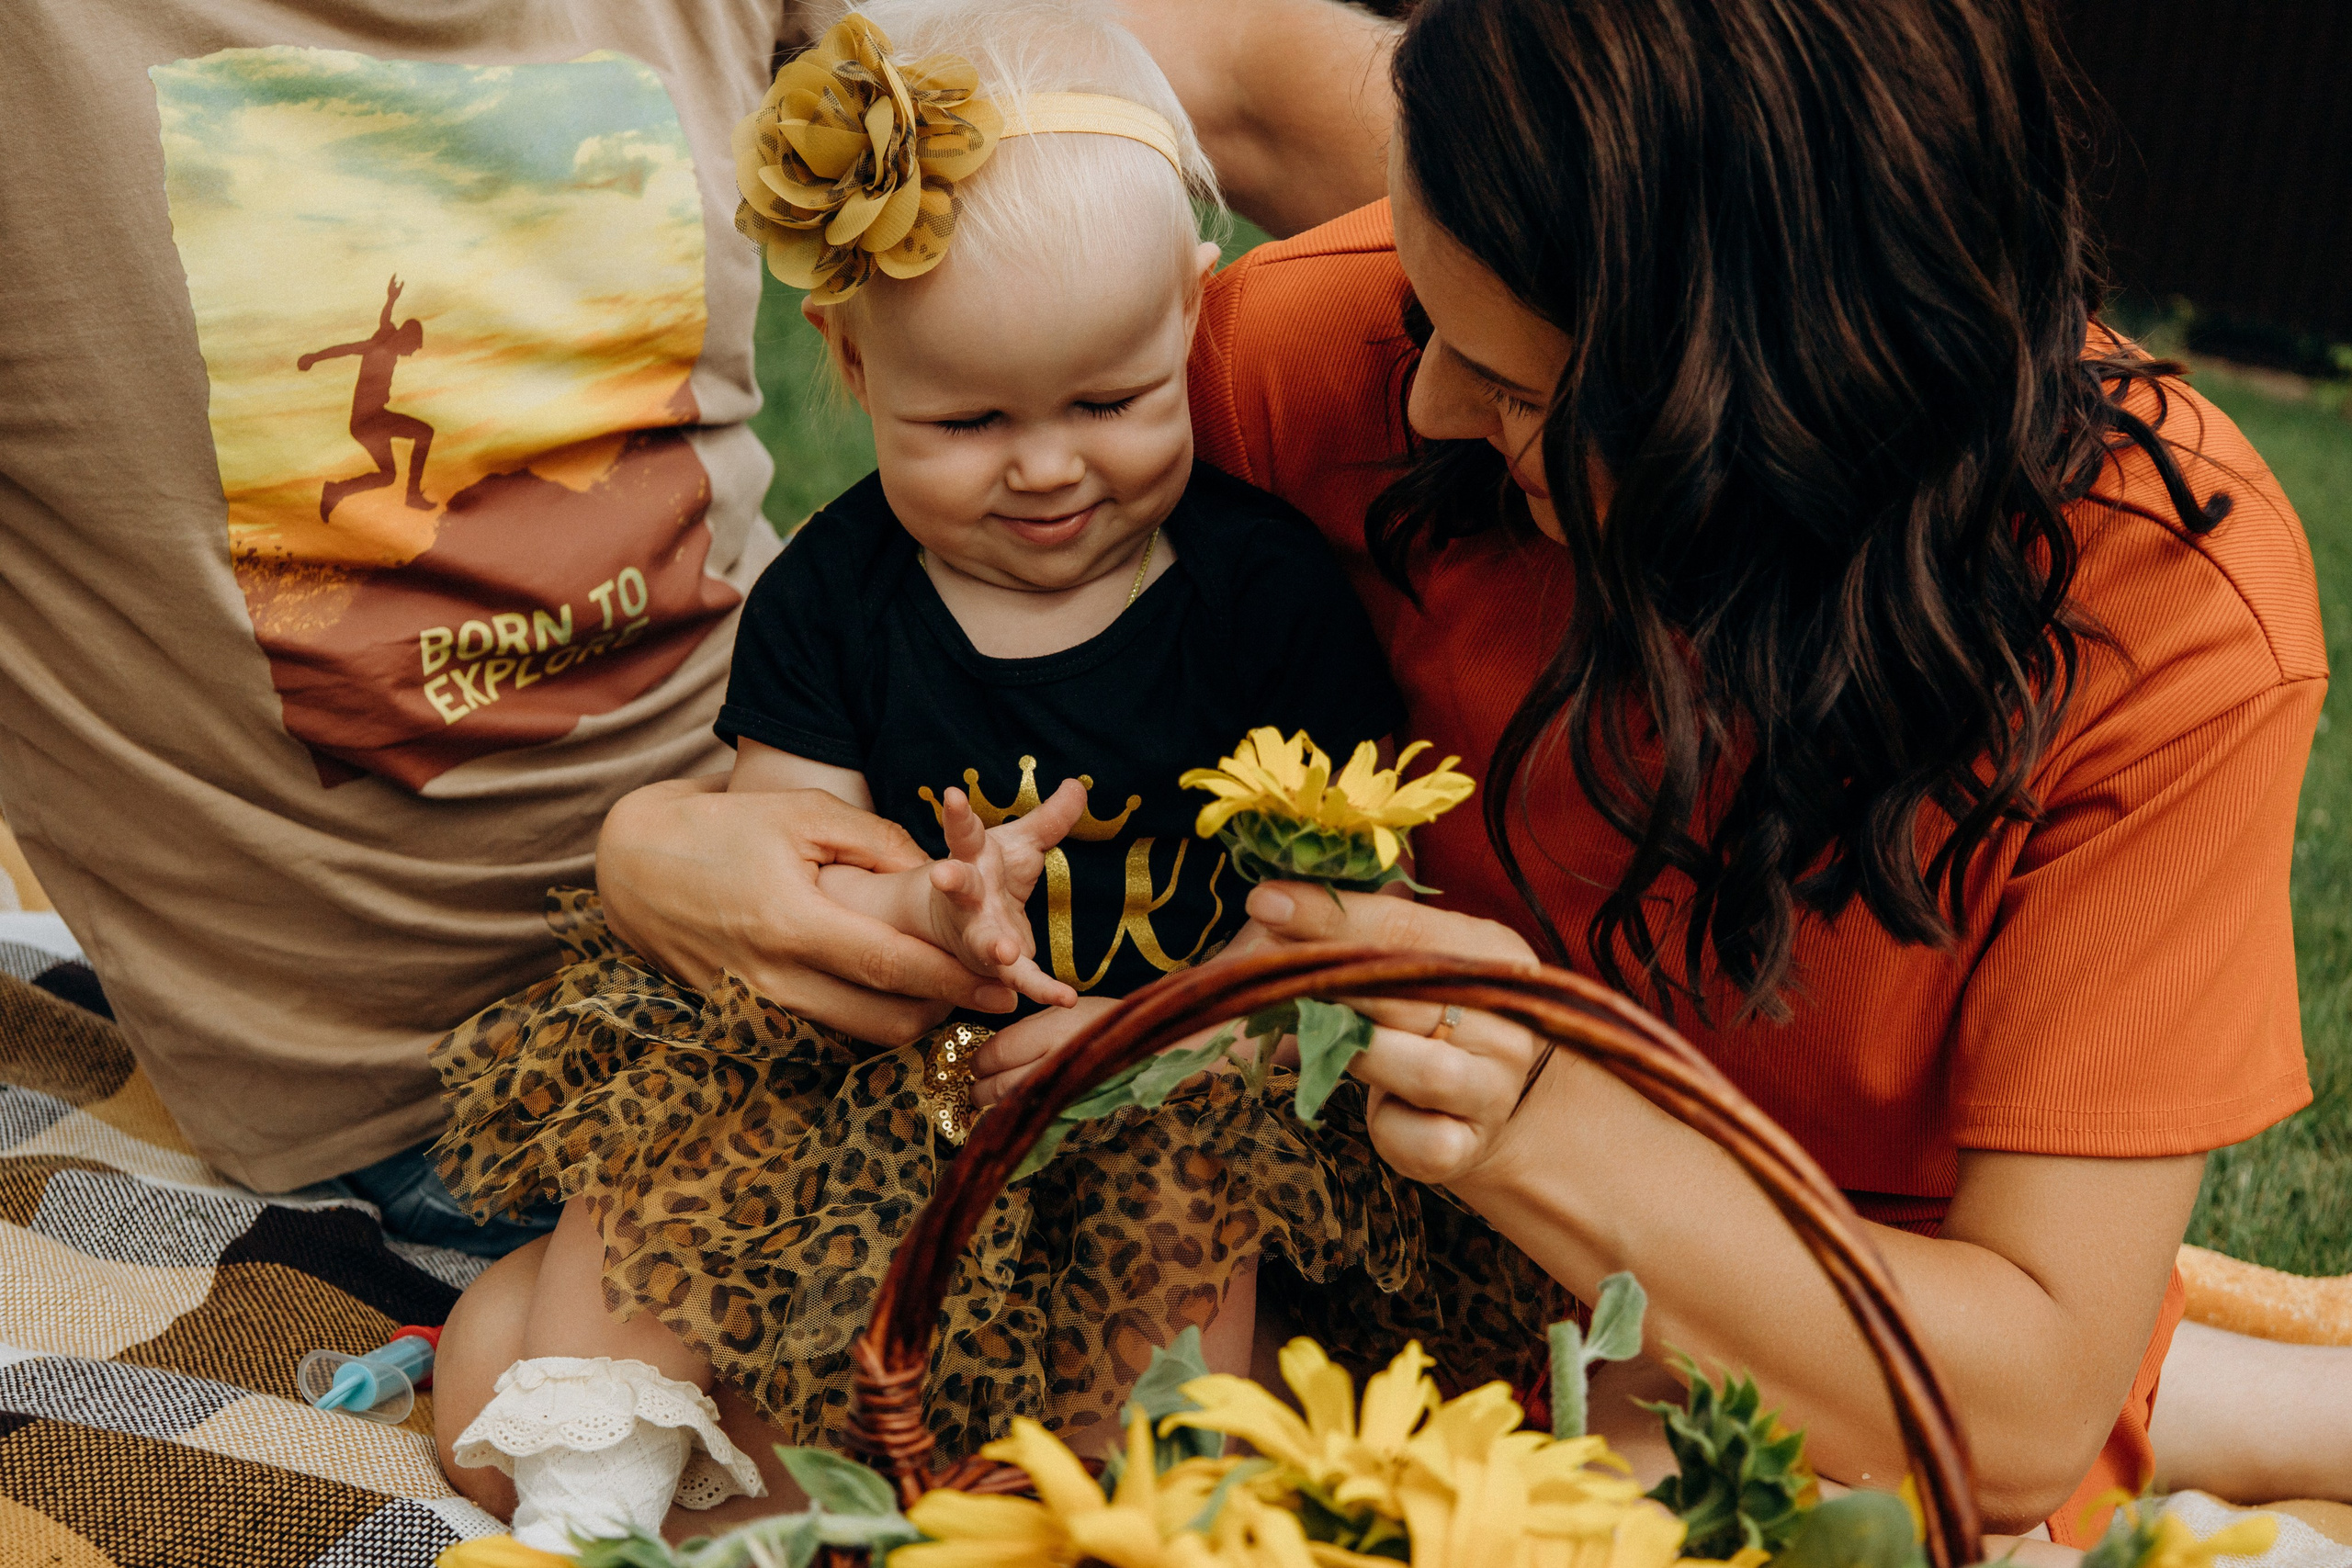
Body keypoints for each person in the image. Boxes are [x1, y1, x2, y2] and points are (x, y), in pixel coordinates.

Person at [591, 0, 2351, 1540]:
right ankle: (2242, 1399)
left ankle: (2243, 1402)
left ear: (1760, 406)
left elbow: (2016, 1409)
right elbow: (921, 644)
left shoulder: (2157, 619)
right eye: (1421, 314)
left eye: (1508, 389)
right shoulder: (1304, 370)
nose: (1422, 407)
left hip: (1832, 1325)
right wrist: (675, 847)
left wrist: (1523, 1099)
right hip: (1375, 1278)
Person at [424, 4, 1499, 1551]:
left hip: (1172, 1083)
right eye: (968, 421)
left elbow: (1343, 900)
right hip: (896, 1097)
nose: (1048, 466)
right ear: (850, 365)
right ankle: (590, 1476)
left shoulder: (1264, 598)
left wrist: (1161, 1026)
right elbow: (784, 896)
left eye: (1113, 404)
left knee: (1189, 1215)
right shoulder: (835, 602)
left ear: (1191, 318)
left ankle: (1122, 1514)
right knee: (677, 1120)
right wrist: (932, 914)